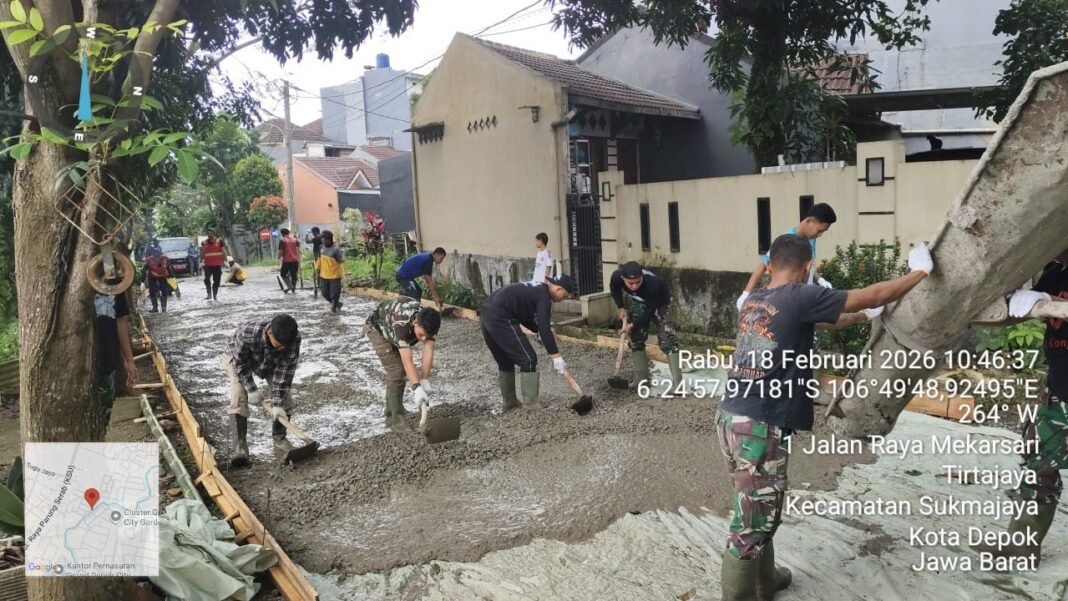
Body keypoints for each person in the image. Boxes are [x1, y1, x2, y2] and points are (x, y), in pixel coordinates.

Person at [717, 234, 932, 599]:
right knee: (752, 521)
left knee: (757, 504)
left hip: (731, 416)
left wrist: (862, 317)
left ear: (769, 266)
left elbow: (826, 322)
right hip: (759, 424)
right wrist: (920, 273)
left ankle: (764, 581)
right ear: (807, 268)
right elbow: (874, 294)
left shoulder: (758, 299)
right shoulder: (800, 295)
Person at [974, 249, 1068, 567]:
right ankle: (1022, 545)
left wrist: (1049, 303)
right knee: (1038, 465)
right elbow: (1018, 312)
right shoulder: (1054, 272)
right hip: (1059, 391)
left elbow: (1047, 305)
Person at [480, 275, 577, 412]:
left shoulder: (535, 289)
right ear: (558, 289)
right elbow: (544, 328)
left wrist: (540, 331)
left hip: (486, 313)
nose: (563, 299)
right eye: (565, 296)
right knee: (528, 359)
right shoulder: (544, 297)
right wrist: (556, 357)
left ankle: (510, 403)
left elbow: (525, 317)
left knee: (505, 360)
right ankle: (531, 405)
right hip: (500, 316)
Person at [223, 314, 302, 467]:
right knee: (238, 396)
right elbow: (240, 365)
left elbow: (285, 373)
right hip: (240, 359)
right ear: (269, 332)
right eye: (279, 345)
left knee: (285, 399)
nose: (283, 348)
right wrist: (251, 389)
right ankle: (239, 447)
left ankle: (279, 438)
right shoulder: (247, 333)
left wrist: (278, 404)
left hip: (272, 362)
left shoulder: (293, 339)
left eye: (285, 346)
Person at [737, 203, 838, 311]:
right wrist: (746, 293)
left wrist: (820, 280)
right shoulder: (786, 241)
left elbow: (806, 267)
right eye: (819, 230)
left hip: (804, 295)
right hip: (788, 299)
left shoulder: (811, 238)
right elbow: (763, 265)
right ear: (809, 221)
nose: (820, 235)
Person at [366, 298, 442, 431]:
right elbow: (408, 361)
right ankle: (396, 420)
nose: (423, 339)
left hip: (392, 326)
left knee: (398, 371)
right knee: (397, 371)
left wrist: (425, 379)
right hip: (378, 330)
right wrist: (417, 387)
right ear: (415, 322)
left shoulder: (430, 323)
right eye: (421, 335)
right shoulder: (401, 324)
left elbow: (428, 351)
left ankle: (391, 411)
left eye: (427, 336)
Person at [609, 261, 681, 393]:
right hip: (639, 301)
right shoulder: (617, 276)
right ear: (623, 278)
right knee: (636, 338)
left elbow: (648, 313)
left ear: (642, 277)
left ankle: (678, 384)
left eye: (637, 282)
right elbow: (614, 288)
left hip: (660, 303)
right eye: (630, 283)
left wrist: (631, 325)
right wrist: (620, 307)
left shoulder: (653, 284)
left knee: (667, 340)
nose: (634, 286)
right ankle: (642, 380)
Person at [94, 281, 138, 431]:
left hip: (105, 362)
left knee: (102, 417)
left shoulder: (114, 283)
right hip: (73, 364)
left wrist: (129, 361)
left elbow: (120, 322)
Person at [315, 230, 345, 312]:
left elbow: (341, 262)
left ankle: (333, 308)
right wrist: (317, 268)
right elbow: (319, 259)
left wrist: (344, 273)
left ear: (328, 239)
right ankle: (337, 304)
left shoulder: (336, 250)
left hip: (335, 275)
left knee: (334, 294)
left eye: (323, 238)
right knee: (325, 293)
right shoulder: (321, 247)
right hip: (323, 275)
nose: (322, 240)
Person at [143, 246, 172, 313]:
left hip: (162, 276)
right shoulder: (149, 260)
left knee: (164, 291)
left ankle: (164, 308)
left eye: (158, 254)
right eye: (155, 254)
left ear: (160, 254)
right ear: (153, 254)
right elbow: (145, 269)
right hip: (152, 277)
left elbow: (168, 267)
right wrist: (142, 280)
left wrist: (171, 277)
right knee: (152, 291)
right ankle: (155, 307)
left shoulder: (165, 259)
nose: (157, 256)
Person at [201, 230, 227, 301]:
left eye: (211, 233)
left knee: (217, 281)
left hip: (217, 265)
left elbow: (224, 251)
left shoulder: (220, 242)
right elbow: (202, 252)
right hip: (207, 265)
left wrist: (225, 261)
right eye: (208, 233)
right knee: (207, 279)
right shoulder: (204, 243)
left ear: (214, 234)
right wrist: (201, 261)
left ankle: (215, 295)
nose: (209, 235)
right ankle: (209, 294)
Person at [278, 227, 301, 293]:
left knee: (283, 274)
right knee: (294, 275)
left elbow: (281, 251)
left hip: (287, 261)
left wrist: (279, 257)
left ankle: (290, 286)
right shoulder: (295, 240)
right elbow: (298, 249)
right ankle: (293, 288)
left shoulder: (282, 240)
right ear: (288, 233)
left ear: (282, 234)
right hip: (295, 260)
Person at [307, 226, 323, 297]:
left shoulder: (316, 238)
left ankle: (319, 283)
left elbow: (307, 241)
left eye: (312, 232)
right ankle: (321, 283)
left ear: (314, 232)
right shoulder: (323, 237)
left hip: (317, 255)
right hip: (324, 255)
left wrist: (307, 235)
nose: (312, 234)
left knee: (318, 269)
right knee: (322, 268)